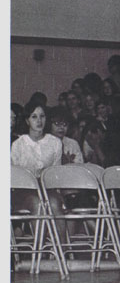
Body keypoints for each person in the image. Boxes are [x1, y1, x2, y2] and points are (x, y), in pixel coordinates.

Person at [11, 101, 67, 241]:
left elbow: (56, 173)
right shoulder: (18, 144)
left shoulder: (55, 143)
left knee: (54, 203)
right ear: (27, 120)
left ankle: (61, 249)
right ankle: (40, 249)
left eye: (42, 116)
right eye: (34, 116)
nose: (39, 120)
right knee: (37, 202)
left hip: (48, 190)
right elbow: (15, 176)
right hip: (23, 192)